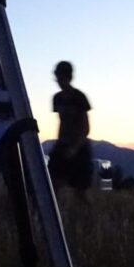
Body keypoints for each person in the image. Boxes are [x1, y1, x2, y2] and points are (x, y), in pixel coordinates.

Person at [48, 61, 92, 197]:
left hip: (79, 147)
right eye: (58, 77)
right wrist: (59, 144)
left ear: (68, 77)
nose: (60, 81)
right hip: (62, 144)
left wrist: (74, 147)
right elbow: (61, 123)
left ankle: (87, 217)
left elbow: (85, 127)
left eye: (62, 77)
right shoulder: (57, 98)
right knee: (53, 185)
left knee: (80, 192)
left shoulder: (79, 97)